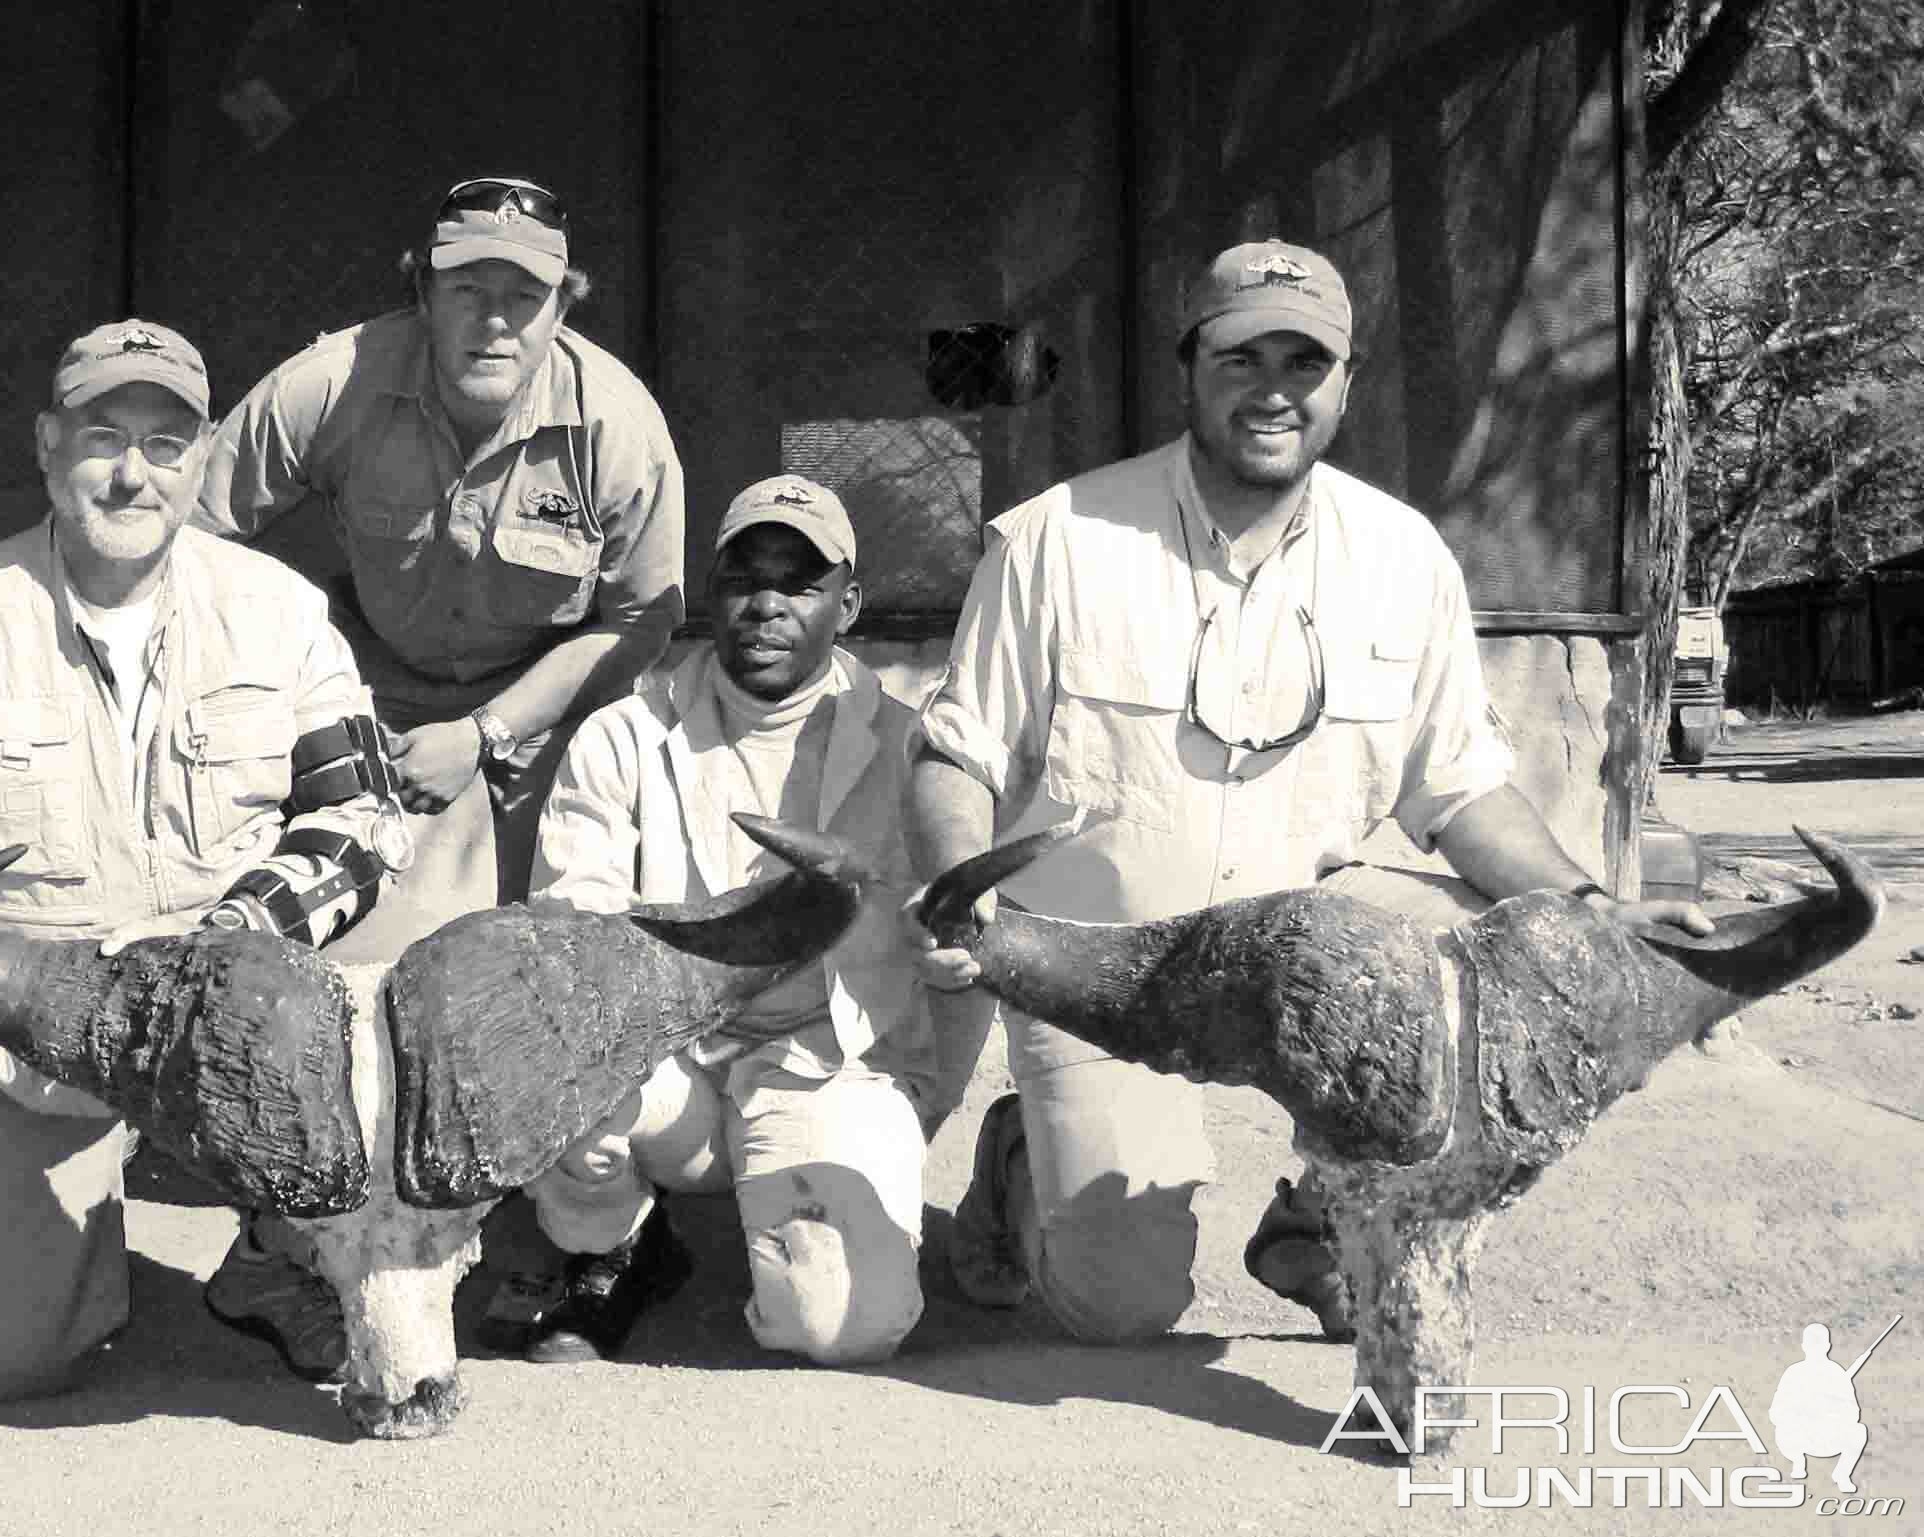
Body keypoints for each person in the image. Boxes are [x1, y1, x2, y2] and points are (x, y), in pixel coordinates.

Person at [903, 240, 1714, 1344]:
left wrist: (1592, 915)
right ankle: (1021, 1157)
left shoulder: (1405, 556)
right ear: (1190, 368)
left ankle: (1323, 1220)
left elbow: (1464, 791)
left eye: (1305, 360)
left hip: (1315, 970)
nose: (1274, 388)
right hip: (1110, 967)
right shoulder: (1057, 540)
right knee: (1119, 1305)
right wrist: (963, 887)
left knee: (1526, 990)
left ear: (1346, 383)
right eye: (1242, 359)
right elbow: (957, 753)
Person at [0, 319, 407, 1398]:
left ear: (205, 456)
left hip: (232, 1025)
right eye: (102, 437)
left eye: (167, 443)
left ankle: (270, 1262)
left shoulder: (281, 615)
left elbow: (362, 817)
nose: (133, 473)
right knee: (17, 1365)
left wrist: (250, 925)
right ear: (46, 445)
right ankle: (42, 1234)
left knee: (365, 1081)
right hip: (34, 1051)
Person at [479, 476, 975, 1366]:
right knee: (558, 1064)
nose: (767, 603)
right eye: (745, 578)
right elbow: (570, 928)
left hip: (828, 1068)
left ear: (849, 604)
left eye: (800, 582)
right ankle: (613, 1243)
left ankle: (793, 1227)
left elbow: (959, 938)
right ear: (713, 592)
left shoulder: (915, 749)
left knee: (842, 1324)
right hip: (669, 1063)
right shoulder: (624, 736)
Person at [199, 175, 685, 907]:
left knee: (551, 927)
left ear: (562, 310)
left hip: (540, 705)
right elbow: (193, 529)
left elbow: (642, 622)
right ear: (421, 294)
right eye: (467, 292)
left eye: (524, 297)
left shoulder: (618, 427)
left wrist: (485, 732)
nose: (496, 321)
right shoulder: (332, 383)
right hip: (370, 682)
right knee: (302, 904)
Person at [1769, 1322, 1871, 1493]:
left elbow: (1853, 1413)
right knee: (1782, 1430)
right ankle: (1798, 1461)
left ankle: (1842, 1474)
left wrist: (1831, 1411)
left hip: (1828, 1437)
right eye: (1811, 1344)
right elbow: (1775, 1412)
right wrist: (1797, 1413)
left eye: (1818, 1343)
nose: (1815, 1348)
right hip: (1800, 1437)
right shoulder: (1793, 1373)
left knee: (1859, 1431)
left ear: (1827, 1346)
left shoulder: (1837, 1373)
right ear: (1804, 1346)